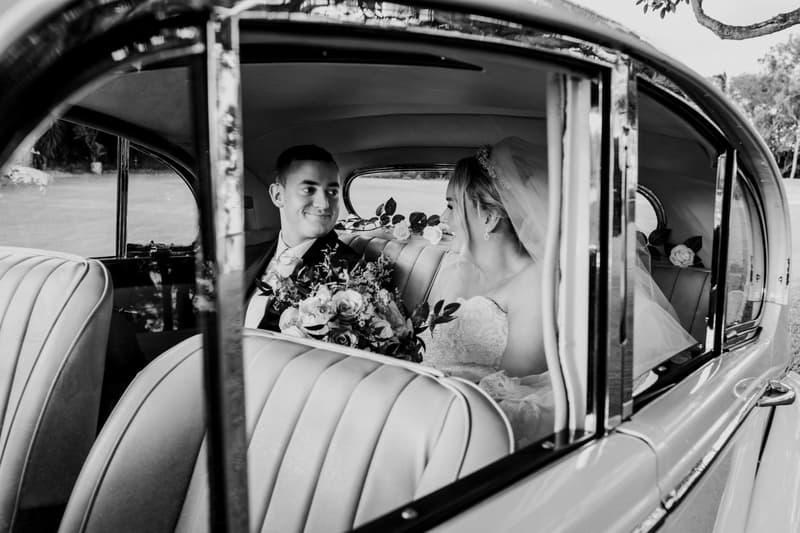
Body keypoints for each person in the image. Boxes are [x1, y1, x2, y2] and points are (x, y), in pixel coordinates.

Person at [244, 145, 359, 331]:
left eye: (332, 192)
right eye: (308, 190)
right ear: (278, 195)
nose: (323, 204)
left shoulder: (353, 273)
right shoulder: (247, 257)